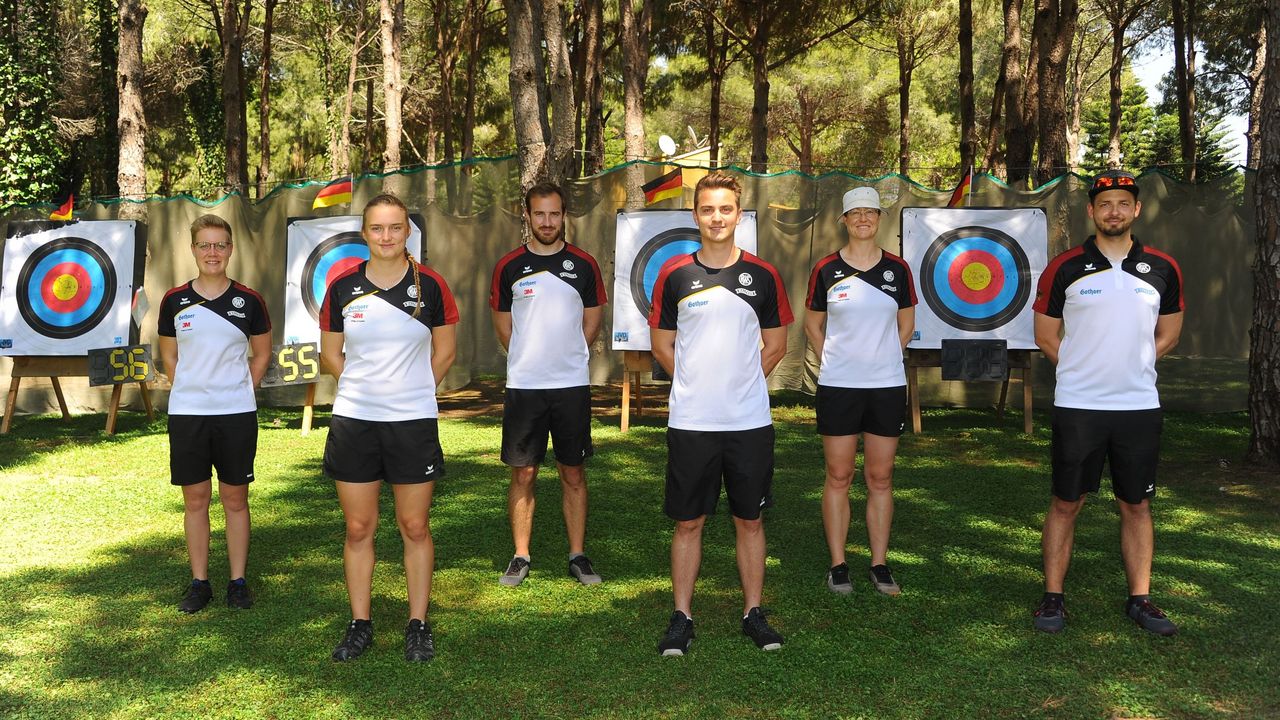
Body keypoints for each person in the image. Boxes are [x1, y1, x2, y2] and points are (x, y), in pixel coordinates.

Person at [1031, 169, 1184, 636]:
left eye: (1123, 203)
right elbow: (1044, 334)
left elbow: (1170, 333)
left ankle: (1140, 599)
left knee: (1136, 504)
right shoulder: (1065, 267)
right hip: (1079, 405)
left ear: (1136, 210)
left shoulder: (1162, 267)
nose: (1113, 211)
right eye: (1104, 204)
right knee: (1065, 501)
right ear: (1092, 212)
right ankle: (1053, 598)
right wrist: (1081, 368)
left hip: (1138, 406)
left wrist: (1132, 362)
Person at [649, 171, 792, 656]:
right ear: (695, 215)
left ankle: (753, 613)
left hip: (749, 421)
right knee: (689, 522)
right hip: (691, 421)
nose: (717, 217)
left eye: (725, 209)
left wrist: (742, 381)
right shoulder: (674, 275)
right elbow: (662, 344)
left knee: (749, 520)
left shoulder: (765, 275)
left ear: (739, 214)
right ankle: (681, 617)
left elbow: (776, 345)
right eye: (708, 209)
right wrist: (694, 383)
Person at [319, 193, 459, 662]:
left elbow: (445, 353)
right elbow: (330, 355)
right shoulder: (341, 287)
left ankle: (418, 624)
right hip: (355, 420)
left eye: (395, 228)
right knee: (359, 527)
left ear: (407, 232)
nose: (386, 237)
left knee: (414, 525)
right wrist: (366, 389)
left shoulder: (432, 286)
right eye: (377, 229)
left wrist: (413, 391)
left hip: (412, 423)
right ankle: (360, 623)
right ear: (365, 234)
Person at [489, 183, 608, 587]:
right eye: (539, 214)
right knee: (523, 473)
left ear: (564, 216)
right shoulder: (508, 267)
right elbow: (504, 327)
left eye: (554, 214)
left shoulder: (584, 265)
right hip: (524, 386)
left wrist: (568, 354)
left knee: (572, 471)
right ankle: (521, 555)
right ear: (527, 215)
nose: (547, 222)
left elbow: (592, 321)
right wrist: (530, 357)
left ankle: (578, 554)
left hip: (571, 385)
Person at [803, 187, 916, 596]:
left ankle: (880, 563)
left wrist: (884, 356)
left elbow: (906, 324)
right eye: (856, 213)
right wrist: (831, 356)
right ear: (845, 221)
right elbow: (812, 323)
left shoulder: (898, 270)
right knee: (838, 474)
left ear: (879, 219)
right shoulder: (826, 269)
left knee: (880, 476)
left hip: (885, 386)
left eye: (871, 212)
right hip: (838, 386)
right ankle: (838, 564)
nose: (864, 219)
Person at [157, 214, 271, 614]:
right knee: (196, 499)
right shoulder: (174, 300)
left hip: (235, 413)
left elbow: (261, 355)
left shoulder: (250, 300)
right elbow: (169, 355)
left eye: (220, 244)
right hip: (188, 413)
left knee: (235, 498)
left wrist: (239, 390)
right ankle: (199, 581)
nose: (212, 252)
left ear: (231, 249)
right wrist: (192, 387)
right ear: (193, 249)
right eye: (204, 245)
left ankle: (237, 581)